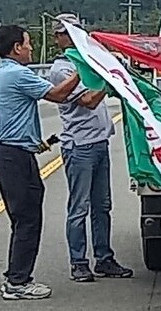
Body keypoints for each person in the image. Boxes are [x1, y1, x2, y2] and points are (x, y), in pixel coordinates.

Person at [0, 24, 81, 300]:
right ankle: (18, 281)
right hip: (14, 156)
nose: (31, 48)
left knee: (24, 218)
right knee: (27, 219)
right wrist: (84, 71)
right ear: (16, 47)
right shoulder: (17, 74)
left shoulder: (2, 74)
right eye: (28, 43)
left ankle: (17, 277)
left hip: (12, 154)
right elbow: (58, 95)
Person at [48, 15, 134, 283]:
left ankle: (104, 258)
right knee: (79, 207)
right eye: (65, 33)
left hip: (99, 142)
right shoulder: (63, 69)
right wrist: (110, 81)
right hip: (79, 145)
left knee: (102, 206)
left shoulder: (91, 61)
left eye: (75, 31)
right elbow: (88, 101)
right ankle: (79, 262)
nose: (71, 36)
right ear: (58, 38)